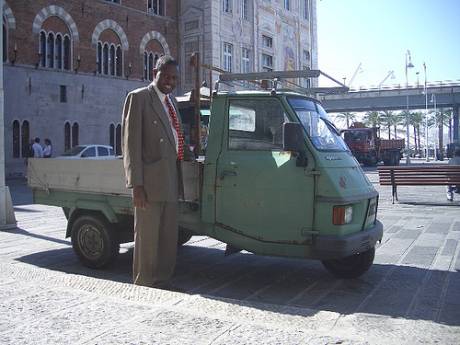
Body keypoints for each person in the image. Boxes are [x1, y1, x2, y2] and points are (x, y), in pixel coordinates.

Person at [122, 55, 186, 289]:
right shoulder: (139, 98)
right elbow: (131, 145)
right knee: (147, 238)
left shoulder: (172, 102)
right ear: (154, 73)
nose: (170, 81)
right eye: (166, 75)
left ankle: (163, 279)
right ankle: (145, 281)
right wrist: (136, 185)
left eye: (174, 77)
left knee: (168, 238)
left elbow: (174, 139)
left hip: (170, 178)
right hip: (148, 184)